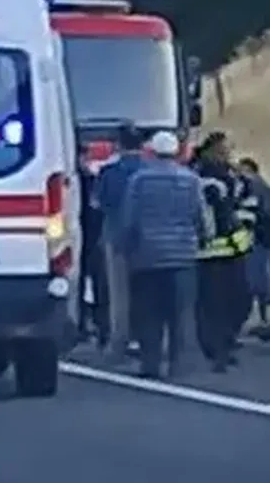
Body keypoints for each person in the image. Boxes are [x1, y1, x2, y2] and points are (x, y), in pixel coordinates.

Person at [117, 130, 207, 379]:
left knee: (149, 314)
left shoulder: (140, 180)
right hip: (183, 256)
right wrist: (202, 240)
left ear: (152, 152)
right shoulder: (191, 180)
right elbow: (201, 216)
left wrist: (125, 247)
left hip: (147, 257)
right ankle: (177, 365)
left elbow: (129, 218)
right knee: (179, 314)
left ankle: (151, 364)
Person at [193, 134, 253, 371]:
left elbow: (249, 203)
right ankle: (215, 349)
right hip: (208, 253)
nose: (226, 154)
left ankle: (225, 342)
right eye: (221, 150)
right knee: (212, 304)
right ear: (209, 152)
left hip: (235, 250)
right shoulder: (200, 178)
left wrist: (245, 227)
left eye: (227, 150)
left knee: (240, 300)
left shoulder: (235, 177)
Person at [96, 123, 146, 358]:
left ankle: (120, 341)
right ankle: (145, 337)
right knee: (145, 290)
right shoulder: (149, 171)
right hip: (147, 240)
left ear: (118, 144)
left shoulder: (109, 172)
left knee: (119, 293)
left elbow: (97, 203)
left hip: (116, 236)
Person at [236, 155, 270, 328]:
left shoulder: (252, 189)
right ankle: (267, 318)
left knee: (259, 279)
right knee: (267, 278)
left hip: (258, 240)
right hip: (268, 240)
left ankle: (264, 319)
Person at [76, 153, 109, 350]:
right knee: (100, 285)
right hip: (93, 236)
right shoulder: (91, 180)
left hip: (82, 236)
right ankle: (99, 326)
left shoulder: (77, 180)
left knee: (85, 283)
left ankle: (85, 324)